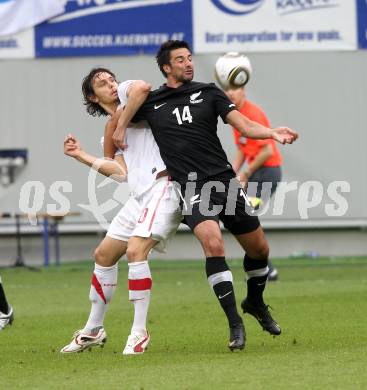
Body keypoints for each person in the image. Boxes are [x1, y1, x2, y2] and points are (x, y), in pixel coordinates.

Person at [109, 40, 298, 351]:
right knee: (213, 243)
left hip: (224, 181)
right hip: (191, 186)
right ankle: (235, 324)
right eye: (180, 60)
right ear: (166, 68)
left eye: (189, 58)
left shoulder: (210, 92)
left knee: (260, 250)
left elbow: (245, 125)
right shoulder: (152, 103)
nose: (188, 63)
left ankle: (255, 302)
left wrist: (272, 133)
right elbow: (118, 115)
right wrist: (119, 129)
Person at [60, 68, 182, 355]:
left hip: (165, 186)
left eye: (111, 79)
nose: (111, 85)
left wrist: (121, 123)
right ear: (92, 96)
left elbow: (143, 87)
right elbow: (119, 173)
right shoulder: (109, 130)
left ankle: (139, 332)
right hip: (141, 195)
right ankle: (93, 329)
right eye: (102, 84)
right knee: (103, 254)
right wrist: (80, 155)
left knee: (136, 251)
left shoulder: (131, 99)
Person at [226, 85, 282, 281]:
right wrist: (231, 173)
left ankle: (266, 268)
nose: (230, 92)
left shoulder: (252, 113)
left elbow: (267, 151)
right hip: (256, 174)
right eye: (227, 88)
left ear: (244, 90)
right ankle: (266, 268)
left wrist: (246, 172)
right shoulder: (235, 115)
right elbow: (242, 148)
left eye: (235, 88)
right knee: (244, 217)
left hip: (267, 174)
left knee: (246, 217)